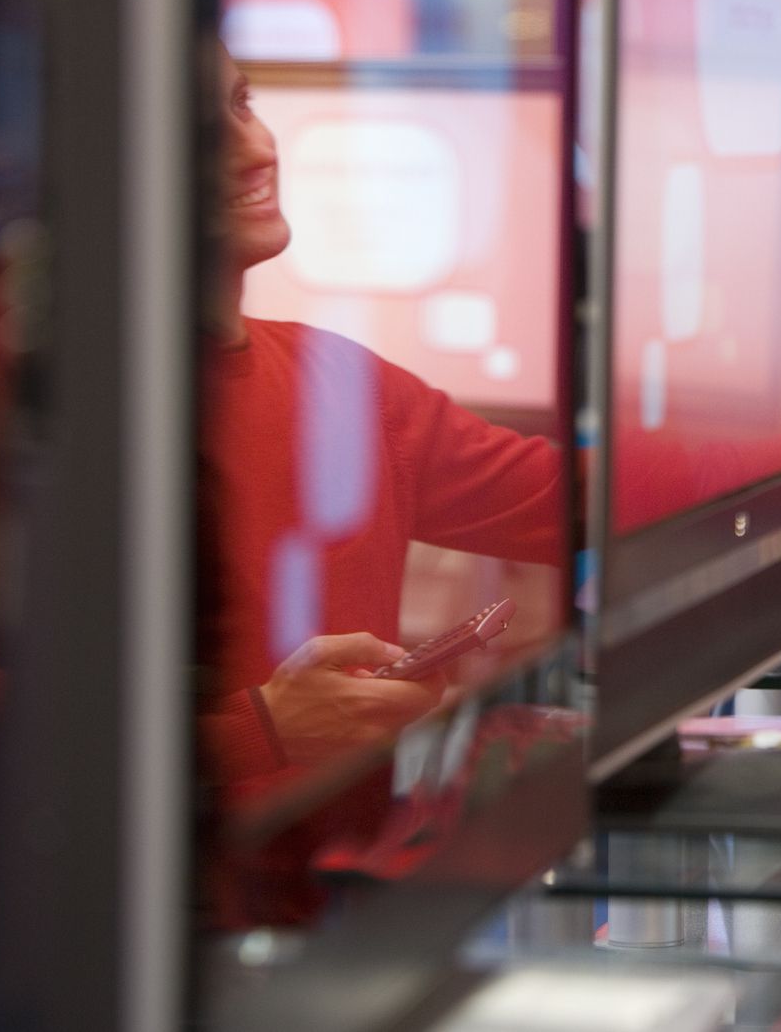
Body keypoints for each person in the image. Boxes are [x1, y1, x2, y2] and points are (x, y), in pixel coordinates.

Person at [198, 45, 569, 923]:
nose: (254, 147)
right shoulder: (43, 403)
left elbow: (576, 498)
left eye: (243, 101)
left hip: (325, 912)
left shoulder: (333, 379)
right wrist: (259, 731)